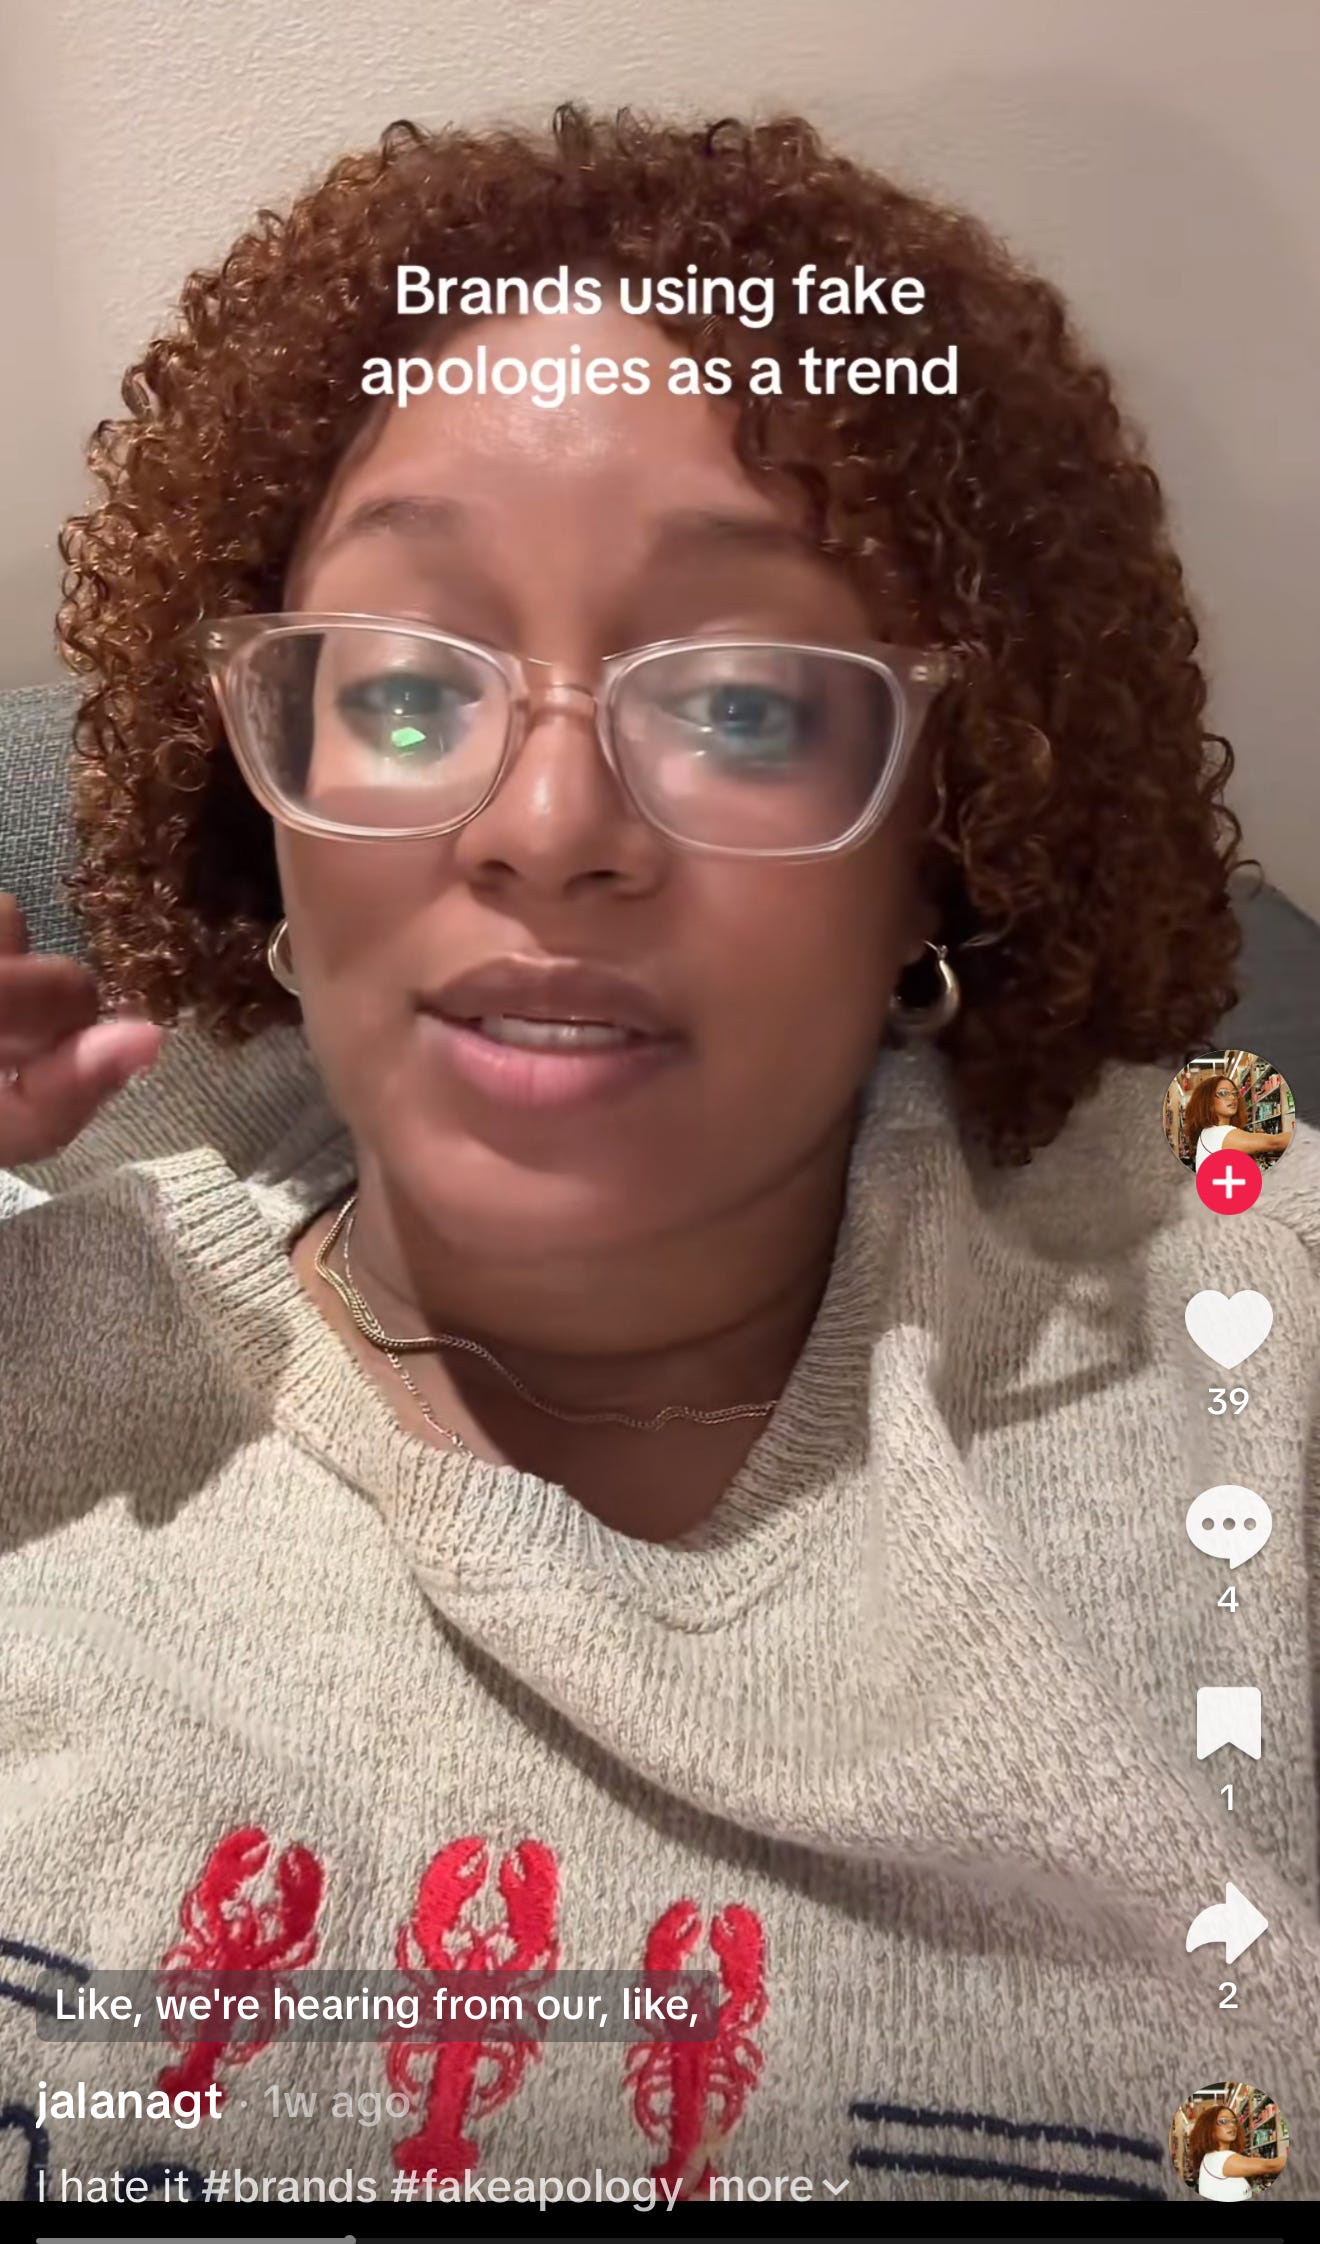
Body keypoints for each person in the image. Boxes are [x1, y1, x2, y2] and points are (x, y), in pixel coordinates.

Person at [2, 106, 1319, 2207]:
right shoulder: (37, 1325)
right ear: (263, 792)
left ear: (951, 832)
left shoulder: (1253, 1352)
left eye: (743, 705)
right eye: (405, 692)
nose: (547, 827)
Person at [1183, 1070, 1294, 1171]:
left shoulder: (1209, 1132)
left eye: (1234, 1093)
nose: (1232, 1098)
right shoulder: (1219, 1133)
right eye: (1223, 1093)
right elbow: (1275, 1142)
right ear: (1206, 1100)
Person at [1187, 2103, 1288, 2201]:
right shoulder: (1221, 2158)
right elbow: (1270, 2166)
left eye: (1234, 2121)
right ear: (1208, 2127)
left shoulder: (1211, 2156)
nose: (1232, 2125)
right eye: (1223, 2121)